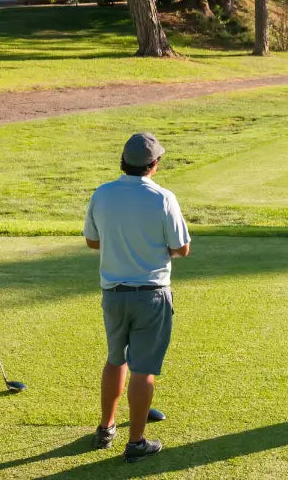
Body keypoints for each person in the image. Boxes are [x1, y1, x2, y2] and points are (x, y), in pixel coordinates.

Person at [84, 132, 190, 464]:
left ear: (124, 161)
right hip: (151, 295)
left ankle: (106, 427)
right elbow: (181, 248)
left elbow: (92, 241)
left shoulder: (102, 193)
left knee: (116, 360)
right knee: (143, 370)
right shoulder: (163, 198)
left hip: (113, 294)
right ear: (154, 164)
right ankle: (136, 442)